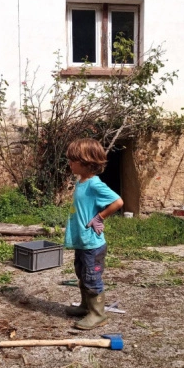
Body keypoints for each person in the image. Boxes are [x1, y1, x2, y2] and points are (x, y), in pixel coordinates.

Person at [64, 138, 124, 330]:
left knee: (92, 278)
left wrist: (100, 217)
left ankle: (98, 314)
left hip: (92, 244)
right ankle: (85, 306)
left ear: (86, 162)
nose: (70, 163)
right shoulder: (81, 182)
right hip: (83, 241)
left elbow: (118, 202)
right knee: (82, 274)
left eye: (73, 160)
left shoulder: (94, 185)